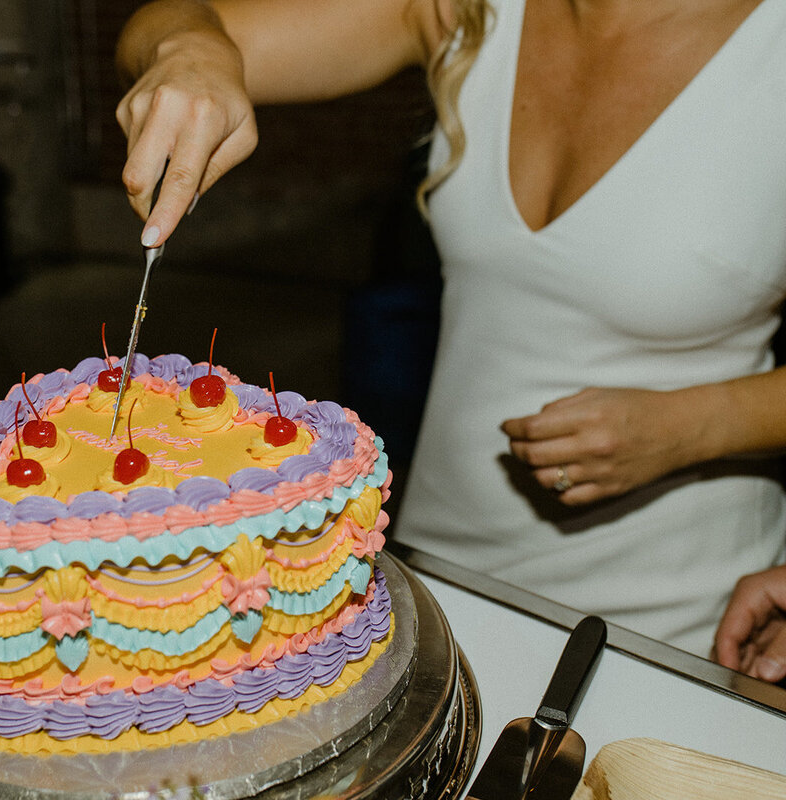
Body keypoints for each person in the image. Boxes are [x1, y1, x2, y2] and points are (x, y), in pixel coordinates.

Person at [114, 0, 786, 673]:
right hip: (434, 592)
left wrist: (697, 425)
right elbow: (168, 25)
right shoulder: (469, 10)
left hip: (683, 630)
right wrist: (192, 50)